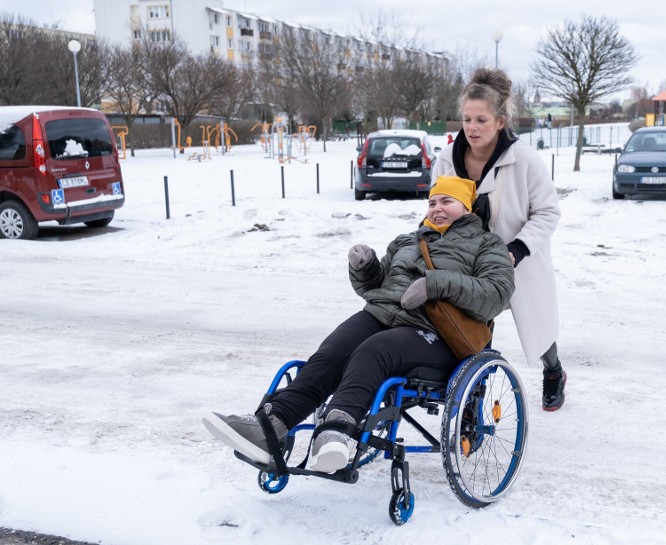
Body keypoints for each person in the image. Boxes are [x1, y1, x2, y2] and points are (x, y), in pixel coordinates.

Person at [202, 176, 515, 474]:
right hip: (381, 316)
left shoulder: (487, 245)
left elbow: (497, 295)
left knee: (375, 351)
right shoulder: (408, 240)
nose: (437, 208)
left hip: (437, 336)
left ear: (466, 208)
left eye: (447, 201)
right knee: (333, 353)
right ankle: (270, 427)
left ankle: (336, 430)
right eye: (432, 202)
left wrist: (436, 284)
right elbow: (379, 287)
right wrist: (365, 268)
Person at [433, 67, 565, 411]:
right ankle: (474, 398)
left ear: (500, 122)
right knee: (469, 329)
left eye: (481, 120)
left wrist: (516, 250)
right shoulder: (447, 160)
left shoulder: (524, 160)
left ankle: (553, 371)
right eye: (466, 119)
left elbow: (548, 211)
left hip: (517, 259)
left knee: (537, 328)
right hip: (465, 260)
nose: (472, 128)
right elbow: (436, 207)